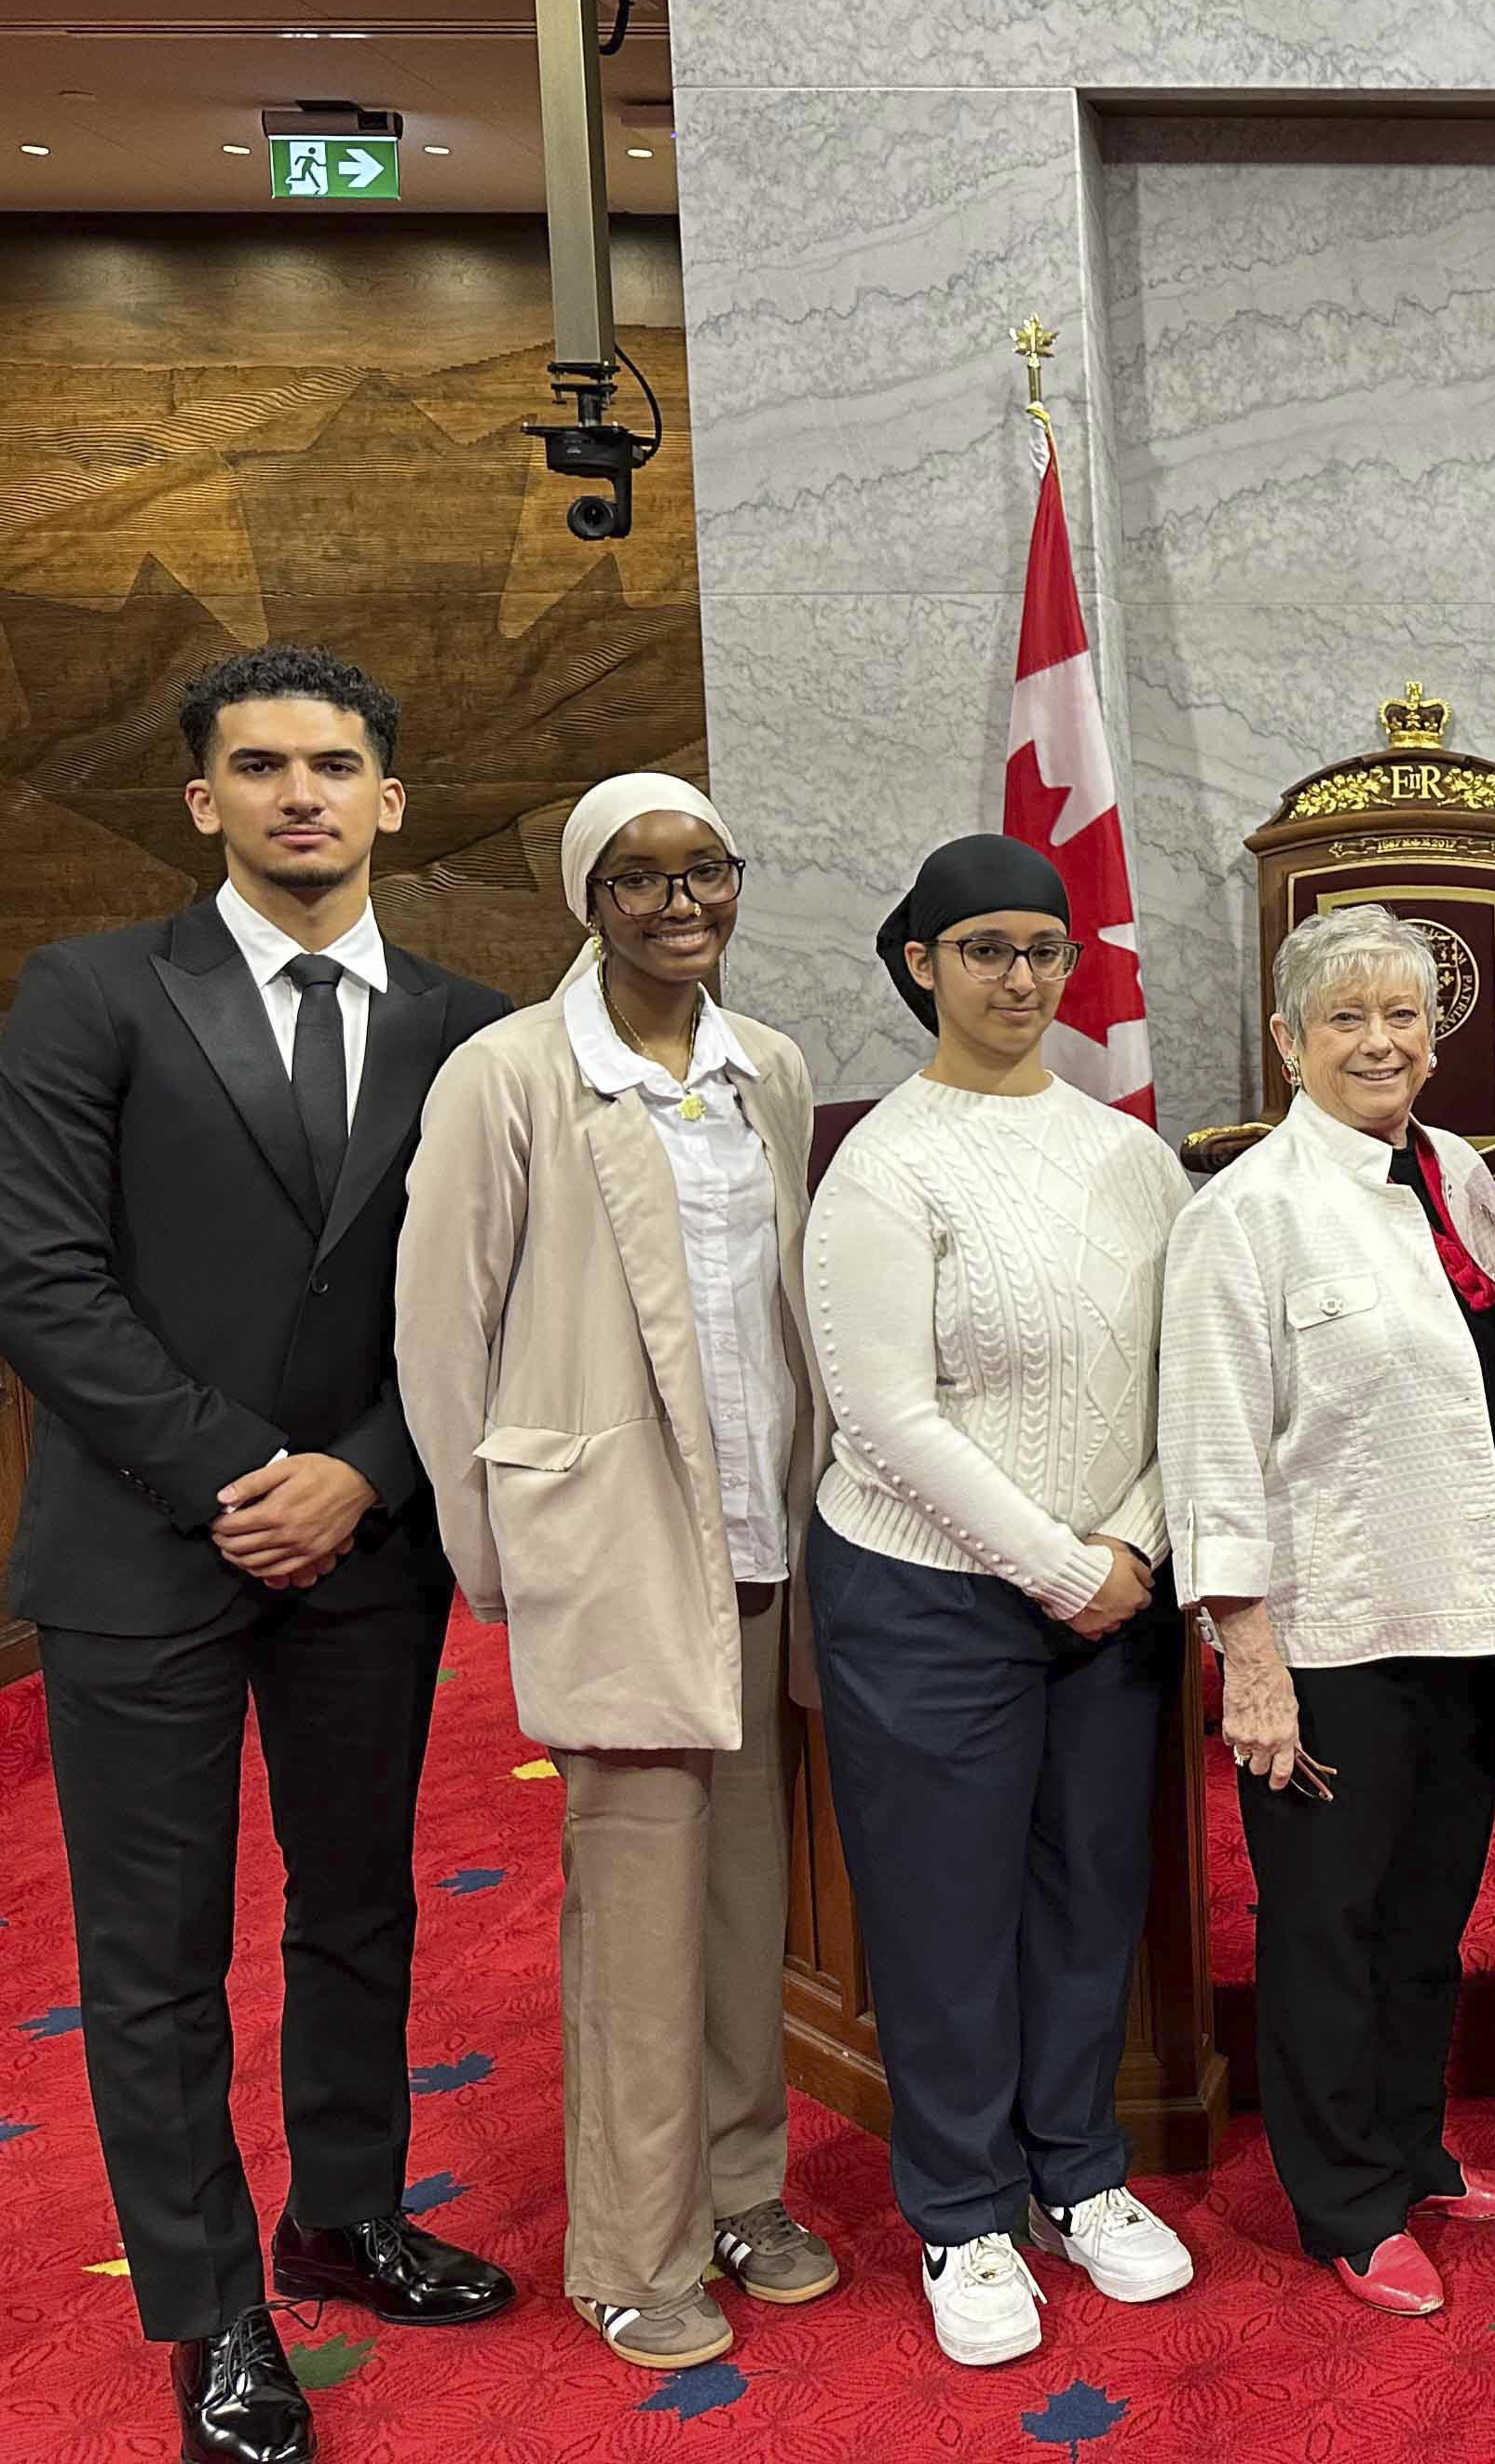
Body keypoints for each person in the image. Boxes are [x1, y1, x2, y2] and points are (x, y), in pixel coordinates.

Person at [0, 645, 518, 2464]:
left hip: (367, 1555)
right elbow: (41, 1281)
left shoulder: (472, 1029)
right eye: (259, 764)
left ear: (390, 798)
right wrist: (250, 1473)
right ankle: (214, 2311)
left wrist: (362, 1477)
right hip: (141, 1547)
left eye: (335, 763)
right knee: (153, 1956)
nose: (301, 790)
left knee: (358, 1907)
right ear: (203, 799)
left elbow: (485, 1304)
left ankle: (347, 2214)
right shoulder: (86, 995)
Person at [394, 774, 840, 2371]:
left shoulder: (767, 1068)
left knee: (741, 1904)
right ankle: (627, 2250)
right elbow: (442, 1335)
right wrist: (495, 1551)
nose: (678, 904)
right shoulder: (507, 1075)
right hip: (610, 1538)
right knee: (635, 1918)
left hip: (755, 1537)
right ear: (589, 900)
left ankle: (739, 2192)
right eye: (640, 880)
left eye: (704, 871)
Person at [802, 834, 1197, 2367]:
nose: (1022, 977)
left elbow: (1188, 1383)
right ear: (922, 965)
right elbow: (887, 1417)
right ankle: (964, 2209)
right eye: (987, 951)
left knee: (1091, 1894)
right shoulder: (885, 1165)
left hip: (1116, 1581)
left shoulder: (1131, 1155)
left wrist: (1138, 1549)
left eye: (1045, 948)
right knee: (946, 1915)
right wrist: (1061, 1568)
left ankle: (1077, 2176)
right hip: (928, 1593)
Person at [1166, 906, 1495, 2321]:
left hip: (1460, 1613)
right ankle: (1344, 2200)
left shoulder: (1450, 1169)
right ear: (1287, 1041)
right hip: (1327, 1639)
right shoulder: (1242, 1217)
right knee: (1327, 1924)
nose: (1383, 1041)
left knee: (1428, 1913)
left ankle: (1411, 2143)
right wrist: (1247, 1658)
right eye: (1347, 1018)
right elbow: (1210, 1451)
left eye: (1404, 1016)